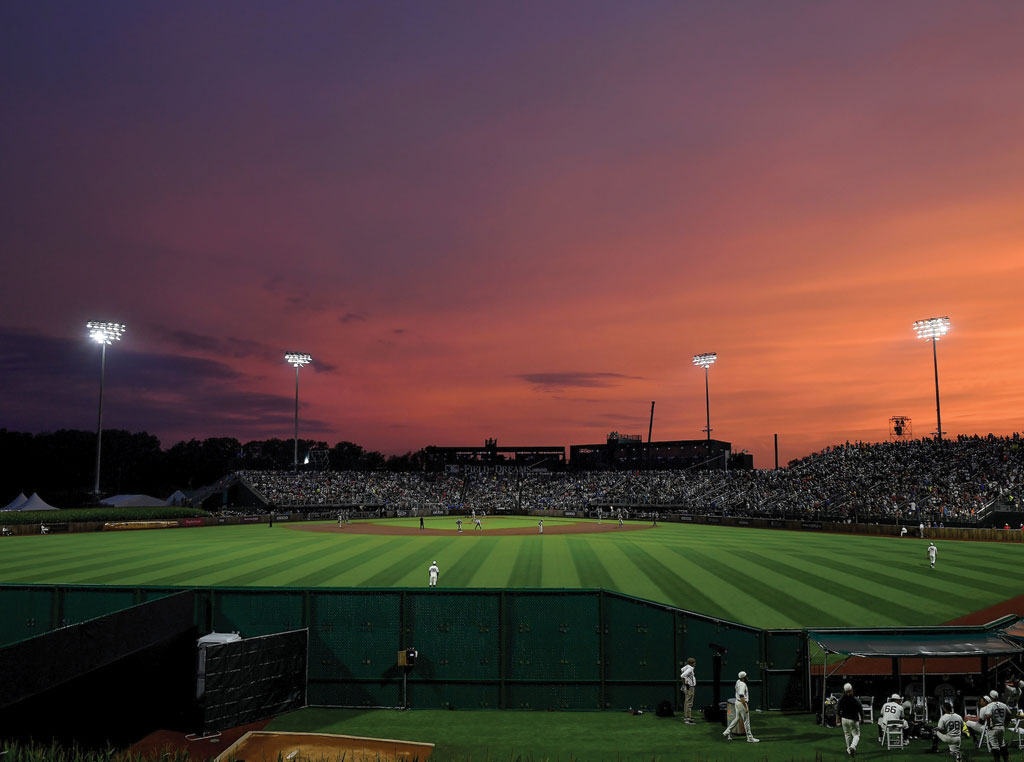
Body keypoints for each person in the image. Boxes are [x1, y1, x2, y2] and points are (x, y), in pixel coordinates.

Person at [723, 670, 759, 742]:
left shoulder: (738, 681)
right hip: (742, 703)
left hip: (737, 702)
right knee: (746, 721)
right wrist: (745, 707)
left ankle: (727, 731)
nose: (747, 678)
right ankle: (750, 737)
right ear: (743, 678)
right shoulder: (743, 684)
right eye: (745, 677)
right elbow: (741, 695)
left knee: (737, 718)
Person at [981, 692, 1011, 762]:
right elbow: (1009, 714)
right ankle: (1006, 760)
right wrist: (1006, 723)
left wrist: (988, 725)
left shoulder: (990, 705)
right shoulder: (1003, 705)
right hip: (1002, 727)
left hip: (993, 727)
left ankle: (997, 760)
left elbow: (988, 716)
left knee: (994, 746)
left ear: (991, 697)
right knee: (1002, 744)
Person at [838, 682, 862, 758]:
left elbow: (838, 711)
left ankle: (848, 749)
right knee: (856, 735)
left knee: (847, 735)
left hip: (844, 719)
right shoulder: (855, 699)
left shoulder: (841, 699)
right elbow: (860, 710)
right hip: (853, 719)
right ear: (851, 689)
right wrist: (863, 718)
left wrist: (837, 720)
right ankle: (853, 746)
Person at [679, 657, 697, 725]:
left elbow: (681, 670)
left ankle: (687, 717)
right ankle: (688, 719)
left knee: (687, 702)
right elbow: (682, 675)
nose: (695, 664)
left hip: (687, 687)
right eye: (694, 663)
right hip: (690, 687)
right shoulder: (690, 669)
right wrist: (685, 682)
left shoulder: (686, 667)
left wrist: (686, 680)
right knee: (689, 703)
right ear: (691, 663)